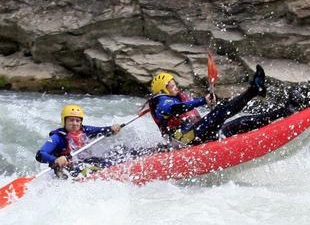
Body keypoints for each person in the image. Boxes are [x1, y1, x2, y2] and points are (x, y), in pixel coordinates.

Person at [149, 64, 294, 146]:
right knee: (221, 111)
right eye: (172, 86)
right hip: (188, 139)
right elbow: (177, 109)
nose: (176, 88)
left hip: (198, 134)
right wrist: (203, 100)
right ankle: (255, 89)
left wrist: (207, 102)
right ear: (163, 89)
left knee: (239, 123)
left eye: (175, 85)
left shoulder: (176, 97)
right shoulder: (162, 102)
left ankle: (284, 111)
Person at [35, 104, 122, 178]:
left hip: (85, 162)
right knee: (88, 167)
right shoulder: (57, 137)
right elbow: (40, 154)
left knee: (116, 153)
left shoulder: (85, 130)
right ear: (64, 121)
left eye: (78, 120)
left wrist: (112, 129)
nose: (75, 123)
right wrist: (55, 159)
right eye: (71, 120)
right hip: (67, 170)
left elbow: (103, 130)